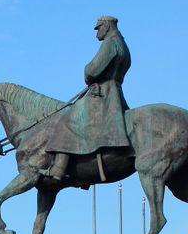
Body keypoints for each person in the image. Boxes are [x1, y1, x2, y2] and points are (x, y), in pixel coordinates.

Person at [32, 16, 132, 184]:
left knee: (67, 121)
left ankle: (58, 169)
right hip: (114, 93)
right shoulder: (122, 43)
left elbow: (93, 70)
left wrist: (87, 71)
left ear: (106, 26)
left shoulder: (110, 43)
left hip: (103, 95)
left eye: (98, 28)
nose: (97, 32)